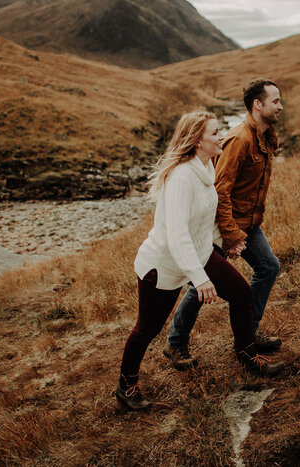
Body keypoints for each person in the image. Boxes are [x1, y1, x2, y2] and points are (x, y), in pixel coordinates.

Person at [116, 111, 283, 412]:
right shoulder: (182, 178)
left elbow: (203, 222)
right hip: (163, 265)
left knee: (242, 294)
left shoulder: (206, 168)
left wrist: (225, 243)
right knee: (147, 329)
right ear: (197, 141)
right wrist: (200, 278)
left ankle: (246, 353)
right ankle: (126, 385)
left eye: (220, 131)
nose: (222, 137)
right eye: (215, 133)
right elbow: (178, 234)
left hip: (198, 252)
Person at [164, 79, 284, 371]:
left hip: (249, 223)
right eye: (275, 101)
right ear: (258, 105)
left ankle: (248, 334)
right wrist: (230, 235)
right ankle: (176, 342)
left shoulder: (266, 136)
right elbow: (220, 189)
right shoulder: (240, 139)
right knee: (204, 280)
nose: (280, 106)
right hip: (229, 224)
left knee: (268, 267)